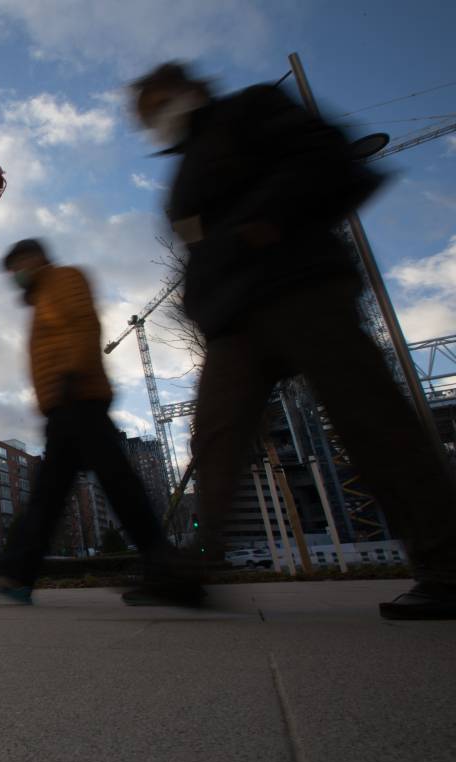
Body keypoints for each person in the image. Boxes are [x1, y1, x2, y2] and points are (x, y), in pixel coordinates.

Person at [131, 62, 456, 620]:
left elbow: (327, 158)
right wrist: (198, 303)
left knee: (371, 420)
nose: (152, 119)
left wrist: (263, 221)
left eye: (155, 102)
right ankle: (198, 565)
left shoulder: (252, 108)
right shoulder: (183, 171)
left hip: (301, 287)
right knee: (216, 439)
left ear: (186, 89)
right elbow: (196, 249)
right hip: (233, 322)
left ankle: (447, 563)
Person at [0, 238, 202, 606]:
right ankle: (19, 574)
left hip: (77, 397)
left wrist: (72, 375)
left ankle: (19, 574)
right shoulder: (41, 298)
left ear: (35, 258)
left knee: (98, 488)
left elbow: (81, 324)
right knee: (64, 492)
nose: (15, 275)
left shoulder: (63, 280)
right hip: (65, 403)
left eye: (17, 266)